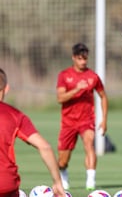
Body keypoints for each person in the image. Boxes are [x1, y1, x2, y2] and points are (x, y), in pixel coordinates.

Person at [0, 68, 67, 197]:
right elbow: (45, 147)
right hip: (5, 185)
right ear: (6, 88)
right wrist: (57, 182)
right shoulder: (14, 115)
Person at [56, 43, 108, 190]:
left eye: (85, 58)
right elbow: (60, 98)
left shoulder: (93, 77)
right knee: (62, 160)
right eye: (80, 59)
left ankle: (90, 181)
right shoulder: (64, 76)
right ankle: (64, 174)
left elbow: (103, 97)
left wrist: (104, 120)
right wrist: (76, 90)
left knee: (89, 144)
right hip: (68, 122)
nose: (83, 62)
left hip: (87, 120)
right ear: (73, 58)